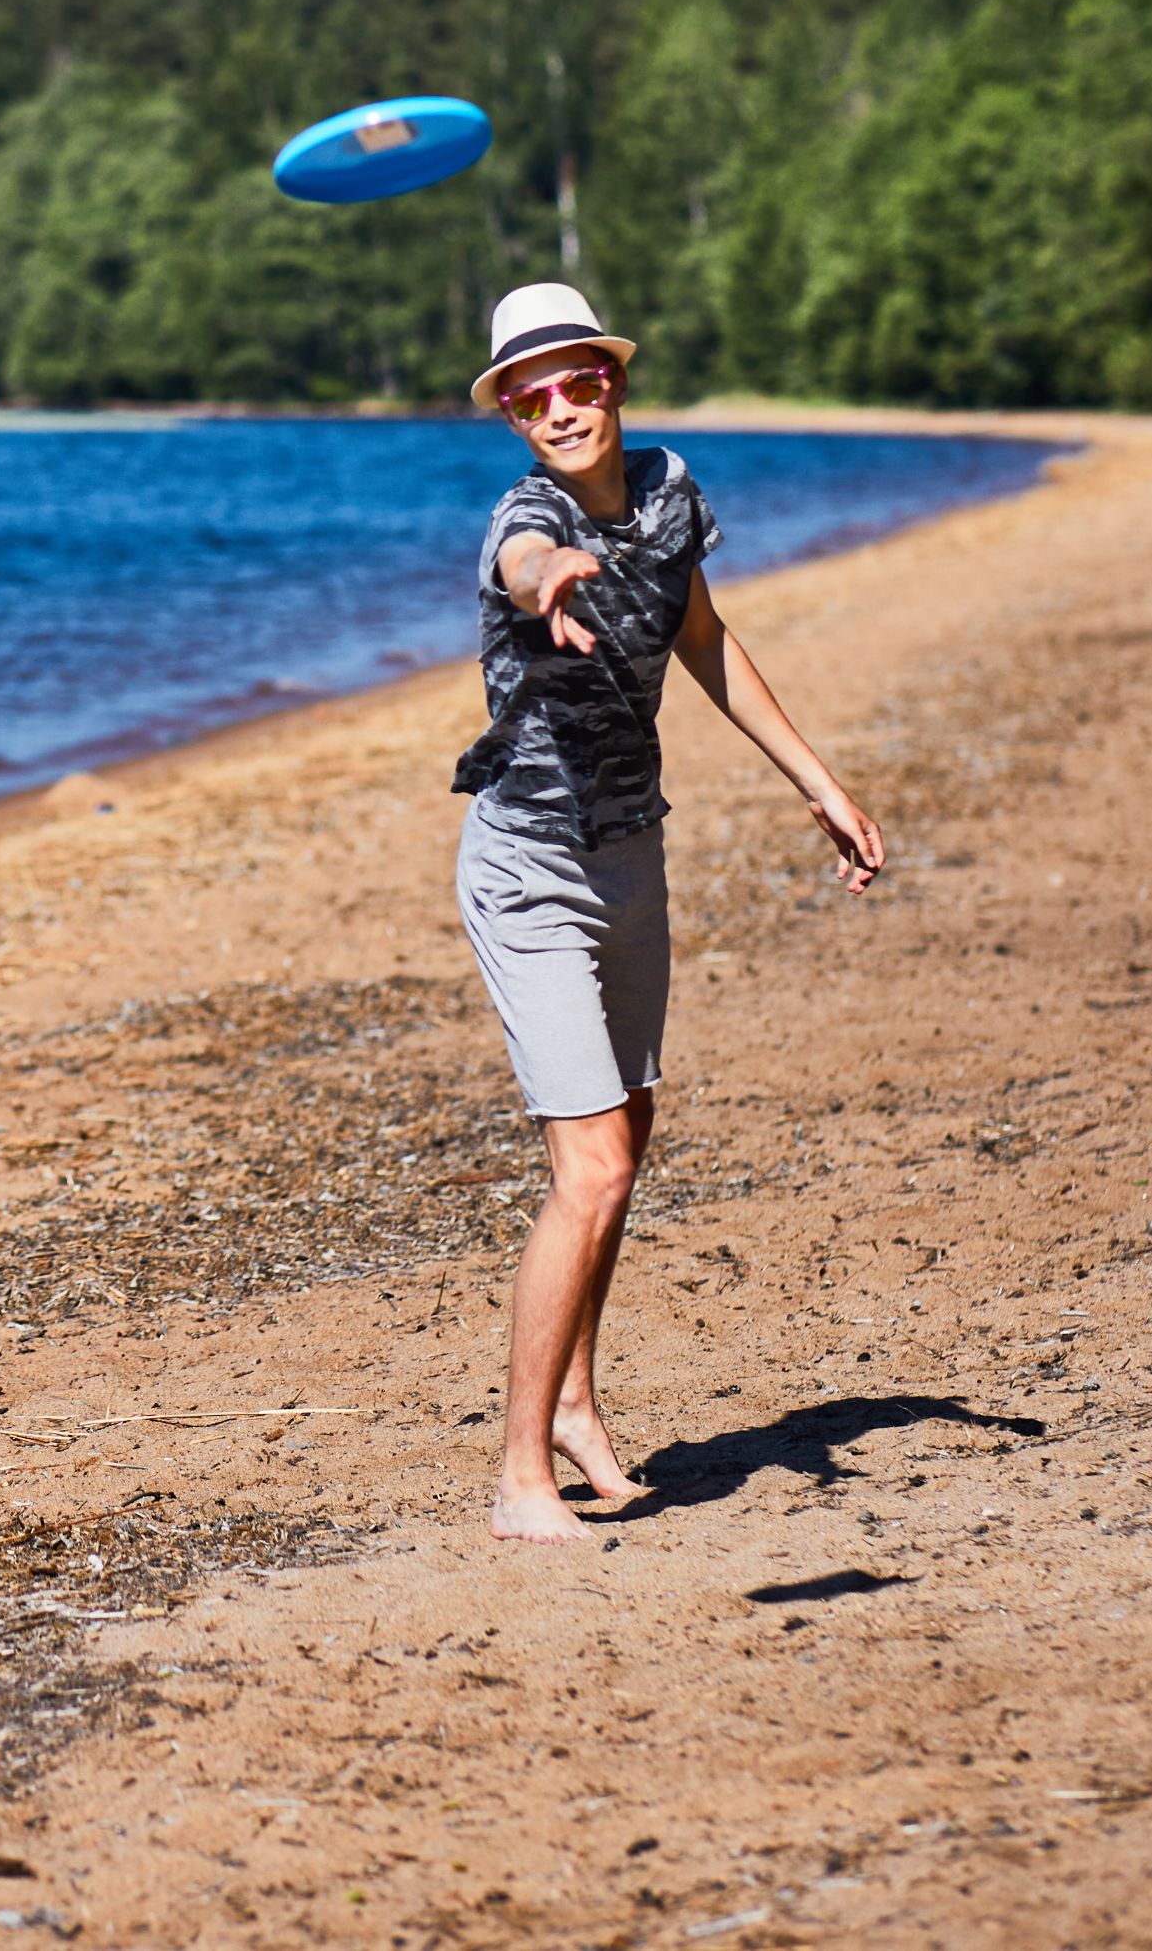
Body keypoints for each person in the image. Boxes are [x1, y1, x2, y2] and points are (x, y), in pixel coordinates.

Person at [450, 282, 882, 1545]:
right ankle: (520, 1475)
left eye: (577, 381)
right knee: (592, 1168)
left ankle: (578, 1409)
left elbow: (705, 639)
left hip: (633, 861)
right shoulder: (520, 522)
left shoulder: (670, 492)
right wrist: (549, 579)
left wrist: (819, 783)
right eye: (531, 396)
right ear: (514, 418)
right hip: (527, 868)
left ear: (611, 382)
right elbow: (524, 561)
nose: (560, 408)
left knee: (621, 1146)